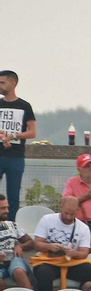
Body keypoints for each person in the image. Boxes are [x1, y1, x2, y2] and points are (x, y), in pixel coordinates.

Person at [31, 195, 91, 291]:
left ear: (77, 211)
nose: (68, 217)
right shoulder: (47, 219)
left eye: (72, 214)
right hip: (49, 261)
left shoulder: (83, 228)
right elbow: (37, 244)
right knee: (42, 273)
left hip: (71, 262)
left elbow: (84, 252)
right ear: (61, 207)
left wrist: (73, 253)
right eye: (66, 213)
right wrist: (49, 246)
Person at [0, 69, 38, 212]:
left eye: (2, 83)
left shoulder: (24, 106)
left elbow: (32, 132)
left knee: (13, 196)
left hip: (15, 157)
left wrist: (15, 136)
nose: (0, 86)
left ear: (13, 83)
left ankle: (12, 225)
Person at [0, 193, 33, 289]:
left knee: (19, 271)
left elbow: (31, 242)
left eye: (7, 207)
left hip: (14, 260)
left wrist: (20, 246)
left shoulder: (12, 225)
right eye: (3, 208)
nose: (7, 211)